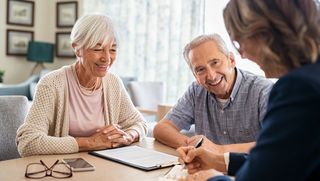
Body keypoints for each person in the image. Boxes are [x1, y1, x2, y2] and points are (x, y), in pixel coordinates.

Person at [177, 0, 320, 180]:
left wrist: (210, 178)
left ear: (264, 33)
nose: (242, 53)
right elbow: (277, 160)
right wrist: (218, 161)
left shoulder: (299, 88)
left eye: (239, 41)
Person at [16, 14, 147, 157]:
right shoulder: (51, 84)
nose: (107, 58)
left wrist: (128, 136)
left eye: (113, 49)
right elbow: (27, 143)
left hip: (106, 168)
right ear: (77, 49)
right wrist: (90, 142)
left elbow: (139, 123)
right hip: (63, 170)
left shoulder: (113, 82)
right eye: (97, 49)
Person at [153, 34, 274, 153]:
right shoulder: (196, 91)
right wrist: (195, 146)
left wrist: (218, 150)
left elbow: (277, 143)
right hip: (206, 170)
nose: (211, 76)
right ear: (195, 76)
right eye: (200, 69)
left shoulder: (263, 91)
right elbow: (161, 128)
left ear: (231, 60)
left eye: (215, 62)